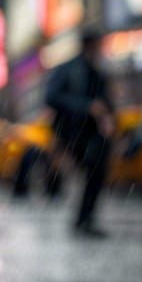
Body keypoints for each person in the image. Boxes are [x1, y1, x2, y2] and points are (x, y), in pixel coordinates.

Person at [45, 26, 114, 237]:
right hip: (71, 133)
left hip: (92, 134)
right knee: (90, 170)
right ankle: (82, 217)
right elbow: (51, 97)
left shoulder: (97, 72)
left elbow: (106, 103)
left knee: (96, 171)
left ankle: (85, 218)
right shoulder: (67, 69)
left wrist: (108, 118)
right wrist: (86, 106)